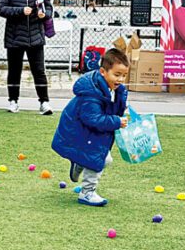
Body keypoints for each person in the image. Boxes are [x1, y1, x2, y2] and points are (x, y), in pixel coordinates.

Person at [52, 48, 129, 207]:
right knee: (100, 158)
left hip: (89, 132)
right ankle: (87, 192)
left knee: (99, 158)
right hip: (78, 131)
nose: (120, 79)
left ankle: (79, 163)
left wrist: (123, 109)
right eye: (117, 74)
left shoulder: (114, 89)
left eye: (124, 75)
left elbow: (110, 107)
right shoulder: (91, 93)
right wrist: (116, 121)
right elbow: (92, 118)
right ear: (103, 72)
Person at [0, 0, 54, 115]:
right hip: (14, 37)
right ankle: (13, 101)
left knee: (39, 71)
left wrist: (44, 14)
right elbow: (1, 9)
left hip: (36, 37)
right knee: (14, 71)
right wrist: (20, 11)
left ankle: (44, 102)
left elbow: (49, 9)